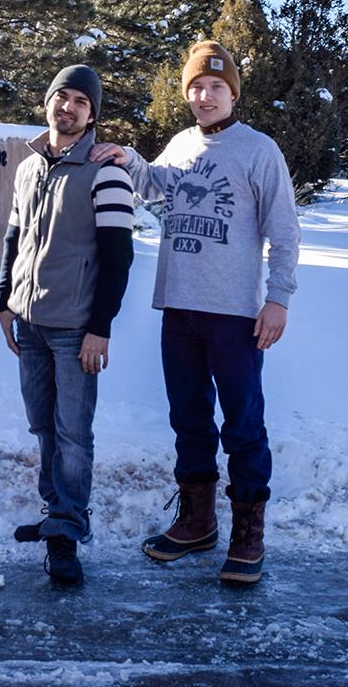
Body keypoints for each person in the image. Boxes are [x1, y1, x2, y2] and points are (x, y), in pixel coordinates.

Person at [91, 40, 300, 584]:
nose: (206, 96)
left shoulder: (259, 150)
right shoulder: (182, 142)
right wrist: (129, 160)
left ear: (232, 92)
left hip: (234, 315)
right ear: (186, 93)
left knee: (244, 425)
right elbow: (156, 185)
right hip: (178, 308)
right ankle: (198, 521)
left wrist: (277, 298)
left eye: (216, 87)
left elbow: (284, 231)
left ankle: (248, 534)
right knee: (188, 420)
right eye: (197, 88)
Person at [0, 64, 135, 587]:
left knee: (73, 432)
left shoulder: (106, 173)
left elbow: (118, 257)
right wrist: (3, 302)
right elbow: (13, 238)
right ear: (47, 103)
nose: (68, 107)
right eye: (61, 96)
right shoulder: (29, 168)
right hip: (29, 322)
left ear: (92, 112)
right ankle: (56, 510)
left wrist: (101, 327)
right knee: (42, 425)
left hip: (76, 327)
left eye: (80, 100)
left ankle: (68, 531)